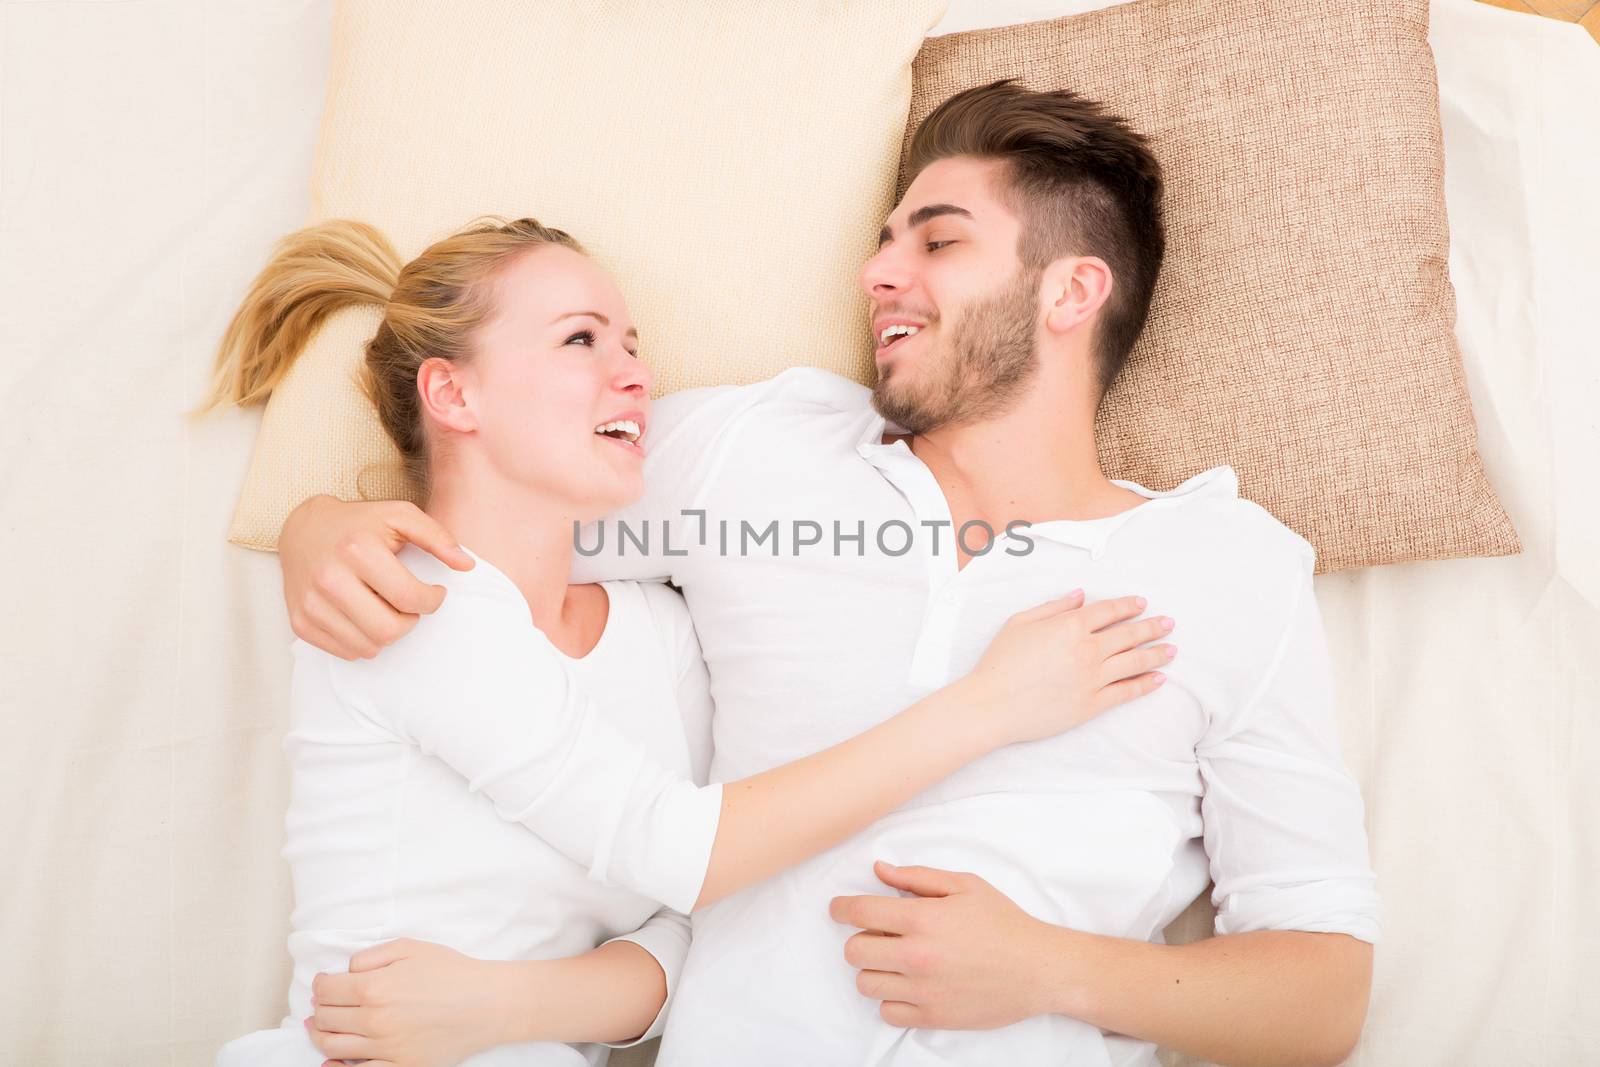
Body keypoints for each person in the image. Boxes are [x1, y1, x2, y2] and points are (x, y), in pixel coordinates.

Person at [281, 81, 1381, 1067]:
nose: (876, 272)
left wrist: (1056, 969)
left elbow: (1325, 995)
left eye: (937, 243)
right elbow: (499, 475)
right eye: (882, 241)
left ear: (1070, 291)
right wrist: (319, 523)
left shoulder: (1228, 566)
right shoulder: (749, 452)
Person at [204, 214, 1173, 1067]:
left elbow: (698, 918)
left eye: (632, 340)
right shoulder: (410, 600)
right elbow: (681, 850)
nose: (635, 371)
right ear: (454, 397)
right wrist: (987, 706)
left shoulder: (661, 628)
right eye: (581, 339)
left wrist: (498, 1005)